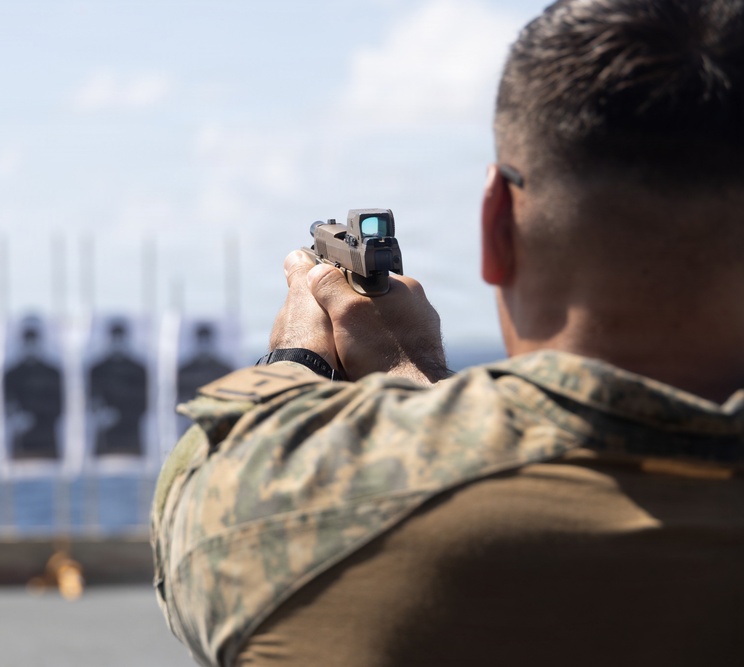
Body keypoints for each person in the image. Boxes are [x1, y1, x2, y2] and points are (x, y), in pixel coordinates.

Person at [151, 1, 744, 666]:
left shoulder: (310, 509)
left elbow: (202, 497)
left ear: (496, 224)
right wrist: (414, 379)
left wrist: (299, 357)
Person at [3, 317, 63, 459]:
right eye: (27, 342)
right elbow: (5, 402)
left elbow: (59, 405)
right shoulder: (11, 374)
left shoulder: (53, 373)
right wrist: (14, 417)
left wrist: (33, 417)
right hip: (21, 444)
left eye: (33, 342)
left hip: (47, 441)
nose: (31, 347)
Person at [88, 319, 148, 457]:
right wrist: (99, 413)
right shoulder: (97, 369)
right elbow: (91, 397)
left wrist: (120, 415)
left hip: (130, 435)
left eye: (120, 339)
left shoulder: (138, 369)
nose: (117, 343)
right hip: (105, 438)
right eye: (114, 339)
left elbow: (144, 401)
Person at [175, 323, 234, 435]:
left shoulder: (224, 369)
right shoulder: (185, 370)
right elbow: (179, 399)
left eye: (206, 340)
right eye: (201, 340)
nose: (204, 345)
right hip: (192, 422)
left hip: (219, 422)